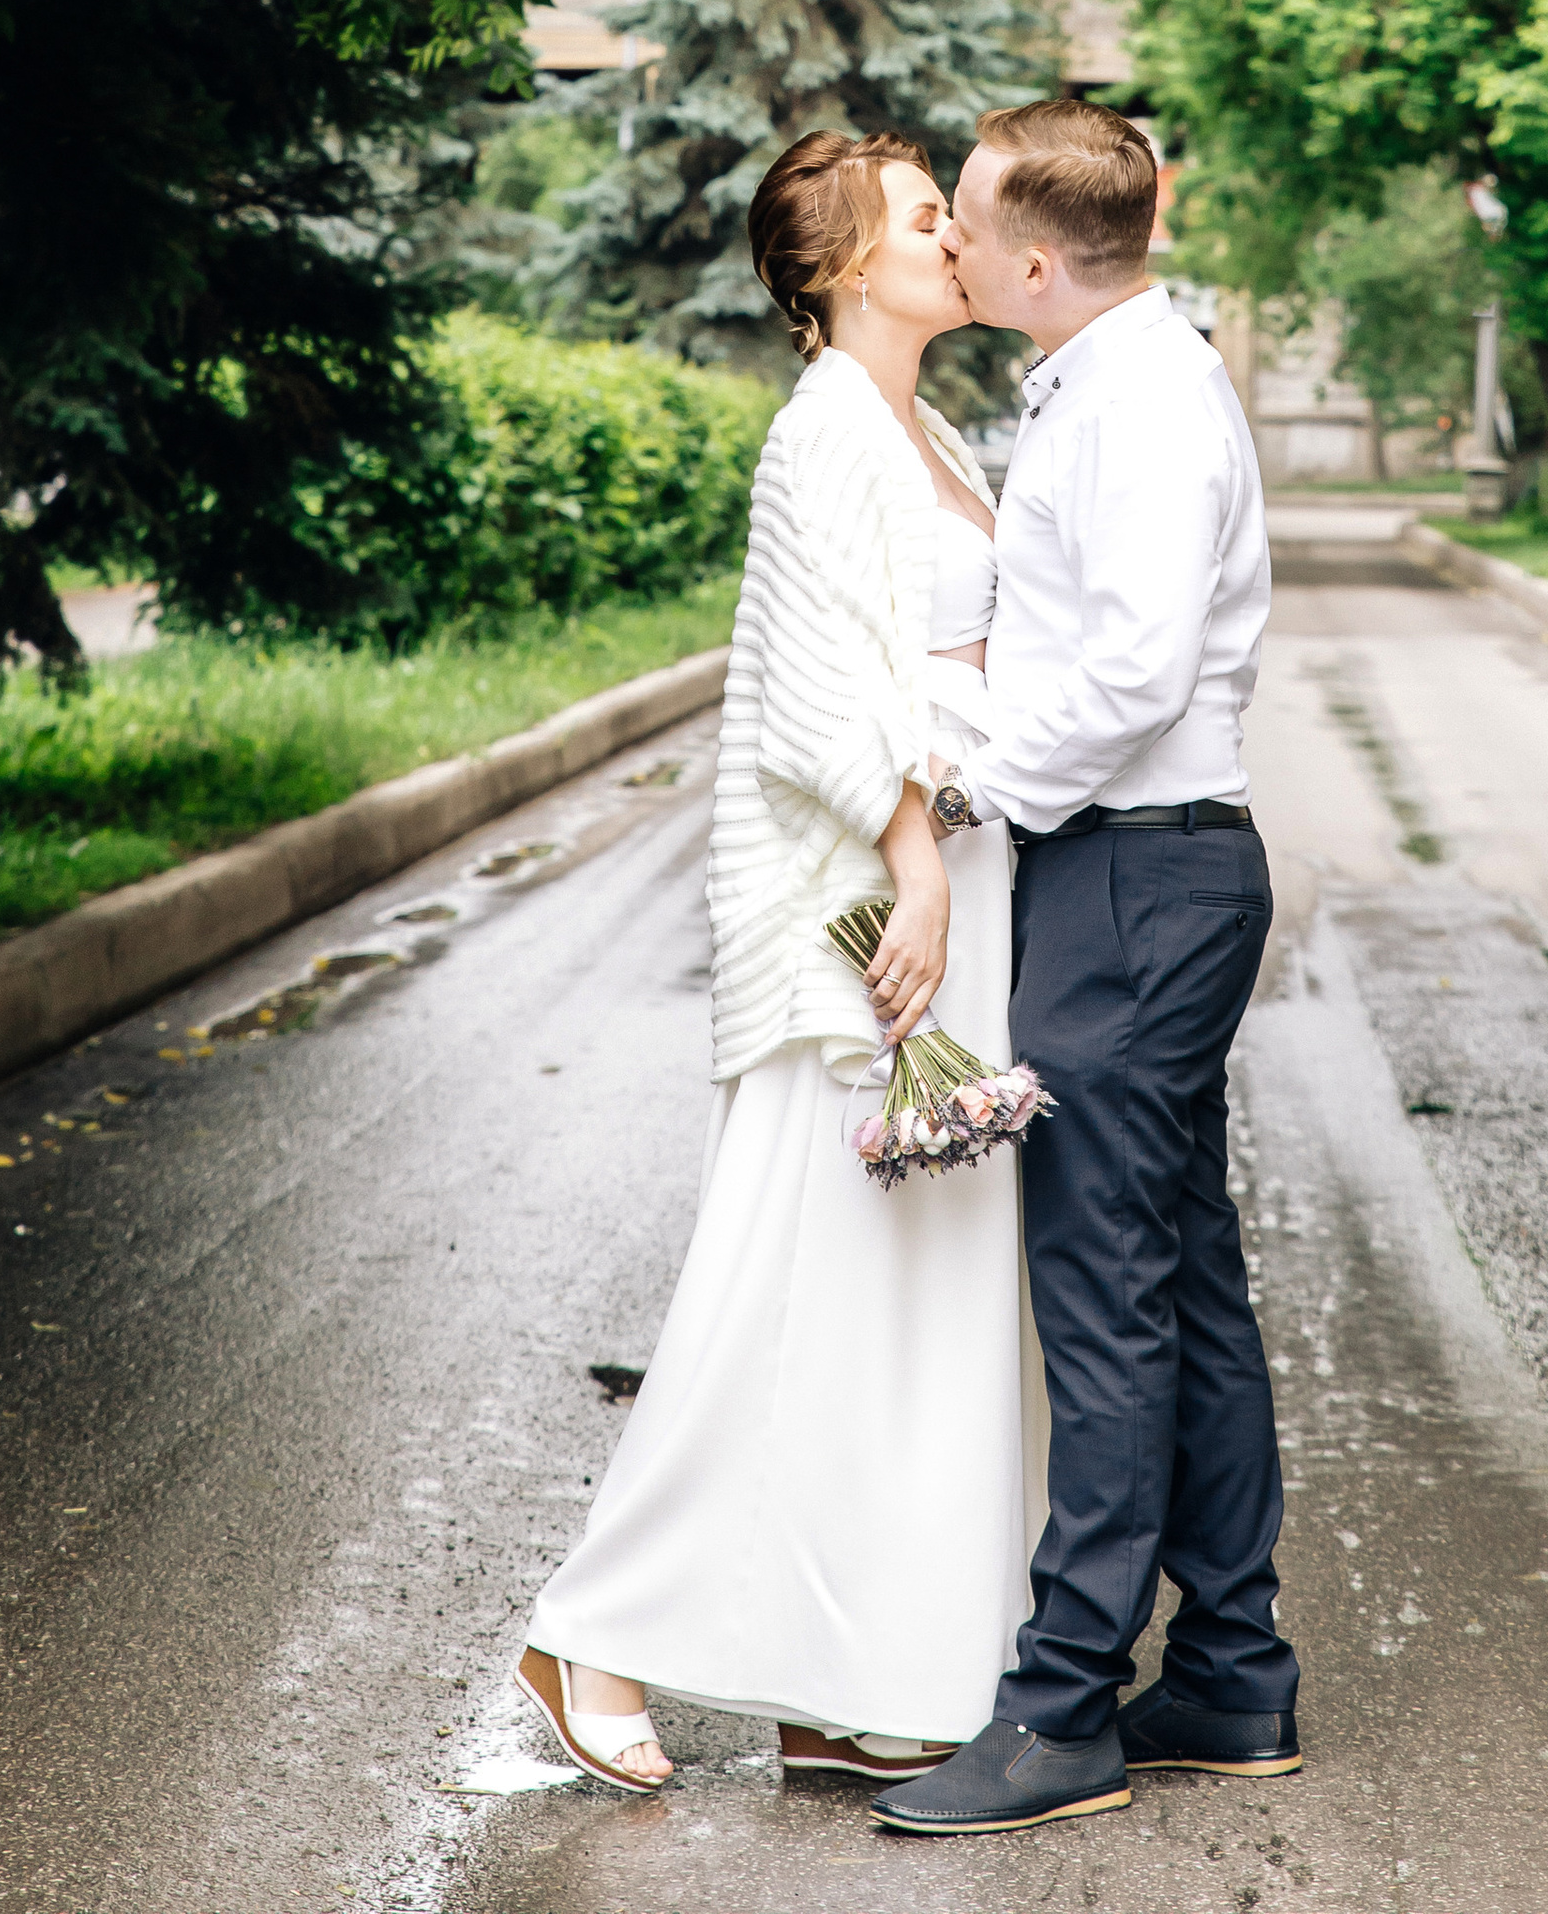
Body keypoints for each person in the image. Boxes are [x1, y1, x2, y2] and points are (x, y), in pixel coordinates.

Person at [514, 127, 1040, 1792]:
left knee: (913, 1300)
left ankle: (841, 1675)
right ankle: (592, 1630)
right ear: (834, 268)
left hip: (961, 872)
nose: (954, 233)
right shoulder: (823, 434)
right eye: (920, 217)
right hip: (866, 907)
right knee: (777, 1281)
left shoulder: (929, 422)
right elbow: (820, 689)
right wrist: (913, 873)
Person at [872, 96, 1299, 1837]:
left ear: (1039, 260)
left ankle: (1063, 1717)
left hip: (1137, 874)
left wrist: (962, 791)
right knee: (1182, 1277)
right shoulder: (1110, 379)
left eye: (968, 223)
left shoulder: (1141, 403)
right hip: (1148, 871)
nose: (957, 248)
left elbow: (1126, 677)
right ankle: (1232, 1677)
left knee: (1106, 1293)